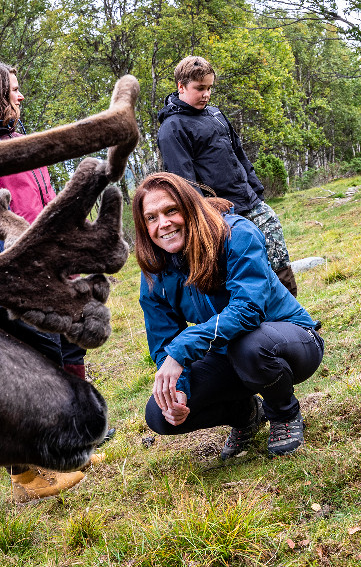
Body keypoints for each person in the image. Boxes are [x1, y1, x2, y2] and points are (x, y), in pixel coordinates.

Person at [0, 60, 102, 501]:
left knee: (69, 348)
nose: (20, 97)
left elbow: (45, 200)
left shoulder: (18, 139)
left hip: (55, 265)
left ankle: (72, 439)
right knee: (34, 366)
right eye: (13, 90)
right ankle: (28, 468)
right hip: (19, 276)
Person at [133, 172, 324, 458]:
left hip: (288, 340)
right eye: (151, 218)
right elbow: (163, 342)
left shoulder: (236, 234)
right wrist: (179, 390)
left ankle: (283, 413)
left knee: (249, 346)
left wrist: (182, 349)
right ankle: (244, 413)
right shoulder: (155, 274)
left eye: (171, 210)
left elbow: (248, 311)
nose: (163, 224)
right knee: (158, 415)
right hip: (228, 353)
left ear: (190, 206)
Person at [157, 55, 298, 297]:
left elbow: (239, 153)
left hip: (251, 202)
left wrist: (256, 190)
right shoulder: (172, 128)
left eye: (209, 88)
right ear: (181, 86)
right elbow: (185, 182)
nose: (206, 94)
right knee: (246, 270)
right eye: (199, 88)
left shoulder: (215, 114)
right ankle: (260, 326)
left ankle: (294, 320)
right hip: (221, 215)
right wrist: (206, 218)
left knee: (277, 256)